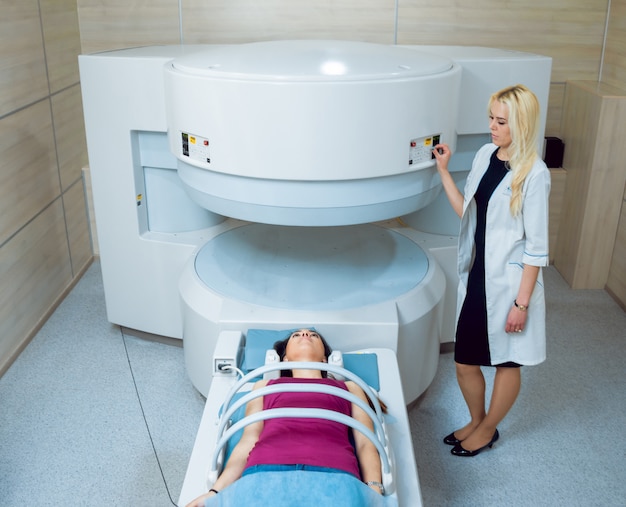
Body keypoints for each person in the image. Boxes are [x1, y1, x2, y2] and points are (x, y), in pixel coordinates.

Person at [432, 84, 550, 457]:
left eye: (501, 121)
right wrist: (443, 172)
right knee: (465, 359)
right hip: (478, 276)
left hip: (511, 284)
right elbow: (466, 211)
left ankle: (486, 429)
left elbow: (537, 248)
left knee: (506, 360)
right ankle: (477, 419)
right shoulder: (485, 155)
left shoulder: (535, 173)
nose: (492, 127)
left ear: (522, 124)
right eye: (491, 118)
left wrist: (522, 303)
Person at [186, 328, 384, 506]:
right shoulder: (263, 387)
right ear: (285, 359)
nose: (305, 334)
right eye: (296, 335)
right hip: (265, 474)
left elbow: (366, 443)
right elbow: (248, 441)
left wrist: (374, 491)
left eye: (313, 335)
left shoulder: (350, 387)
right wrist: (214, 492)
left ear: (325, 359)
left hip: (336, 474)